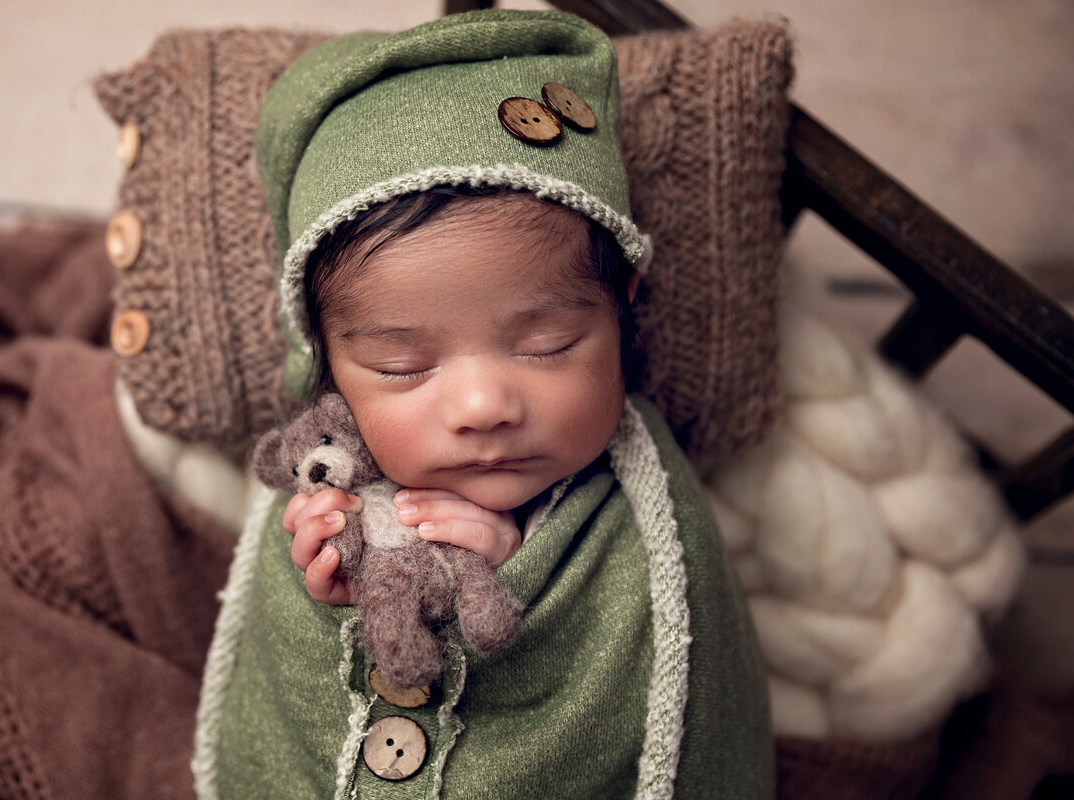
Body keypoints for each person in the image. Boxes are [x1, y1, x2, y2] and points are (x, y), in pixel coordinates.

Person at [192, 10, 772, 800]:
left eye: (545, 343)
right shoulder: (328, 473)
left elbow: (659, 679)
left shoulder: (643, 523)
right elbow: (288, 685)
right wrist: (336, 594)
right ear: (327, 362)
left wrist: (514, 572)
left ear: (621, 310)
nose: (482, 405)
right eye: (402, 365)